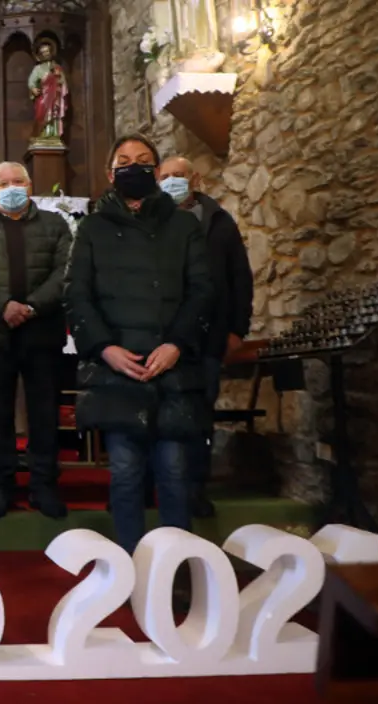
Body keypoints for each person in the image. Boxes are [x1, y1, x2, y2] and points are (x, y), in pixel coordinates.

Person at [63, 135, 213, 555]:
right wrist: (105, 348)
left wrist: (177, 345)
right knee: (125, 474)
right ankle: (131, 564)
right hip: (118, 368)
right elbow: (77, 295)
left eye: (144, 161)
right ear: (110, 173)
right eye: (125, 161)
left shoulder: (184, 226)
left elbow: (201, 291)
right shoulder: (93, 227)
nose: (134, 167)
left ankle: (176, 569)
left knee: (173, 471)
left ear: (156, 169)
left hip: (172, 366)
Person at [157, 155, 253, 518]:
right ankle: (157, 488)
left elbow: (239, 279)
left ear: (194, 178)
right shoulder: (151, 222)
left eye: (179, 176)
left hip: (208, 337)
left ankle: (195, 490)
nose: (172, 182)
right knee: (157, 416)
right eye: (165, 177)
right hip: (161, 337)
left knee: (199, 417)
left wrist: (236, 329)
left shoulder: (219, 222)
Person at [0, 161, 73, 520]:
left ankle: (44, 486)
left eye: (18, 181)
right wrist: (4, 306)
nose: (12, 187)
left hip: (42, 332)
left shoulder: (54, 225)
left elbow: (66, 272)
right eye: (4, 183)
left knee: (44, 414)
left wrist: (31, 307)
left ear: (31, 186)